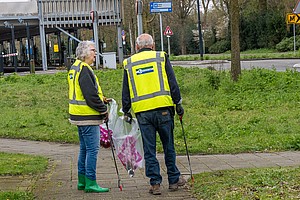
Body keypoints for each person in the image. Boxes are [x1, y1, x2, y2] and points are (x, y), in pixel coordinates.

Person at [121, 33, 186, 195]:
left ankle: (155, 183)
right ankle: (173, 180)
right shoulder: (161, 57)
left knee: (149, 149)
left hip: (143, 112)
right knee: (168, 146)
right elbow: (172, 83)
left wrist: (126, 110)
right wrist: (178, 104)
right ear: (153, 45)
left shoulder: (129, 63)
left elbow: (126, 90)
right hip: (164, 110)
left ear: (137, 47)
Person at [67, 40, 110, 193]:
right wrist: (103, 110)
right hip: (88, 116)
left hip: (77, 114)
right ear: (84, 53)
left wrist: (102, 99)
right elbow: (90, 95)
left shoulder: (75, 68)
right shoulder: (84, 70)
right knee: (92, 149)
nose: (95, 53)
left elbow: (85, 92)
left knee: (84, 149)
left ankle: (82, 181)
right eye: (93, 50)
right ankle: (91, 183)